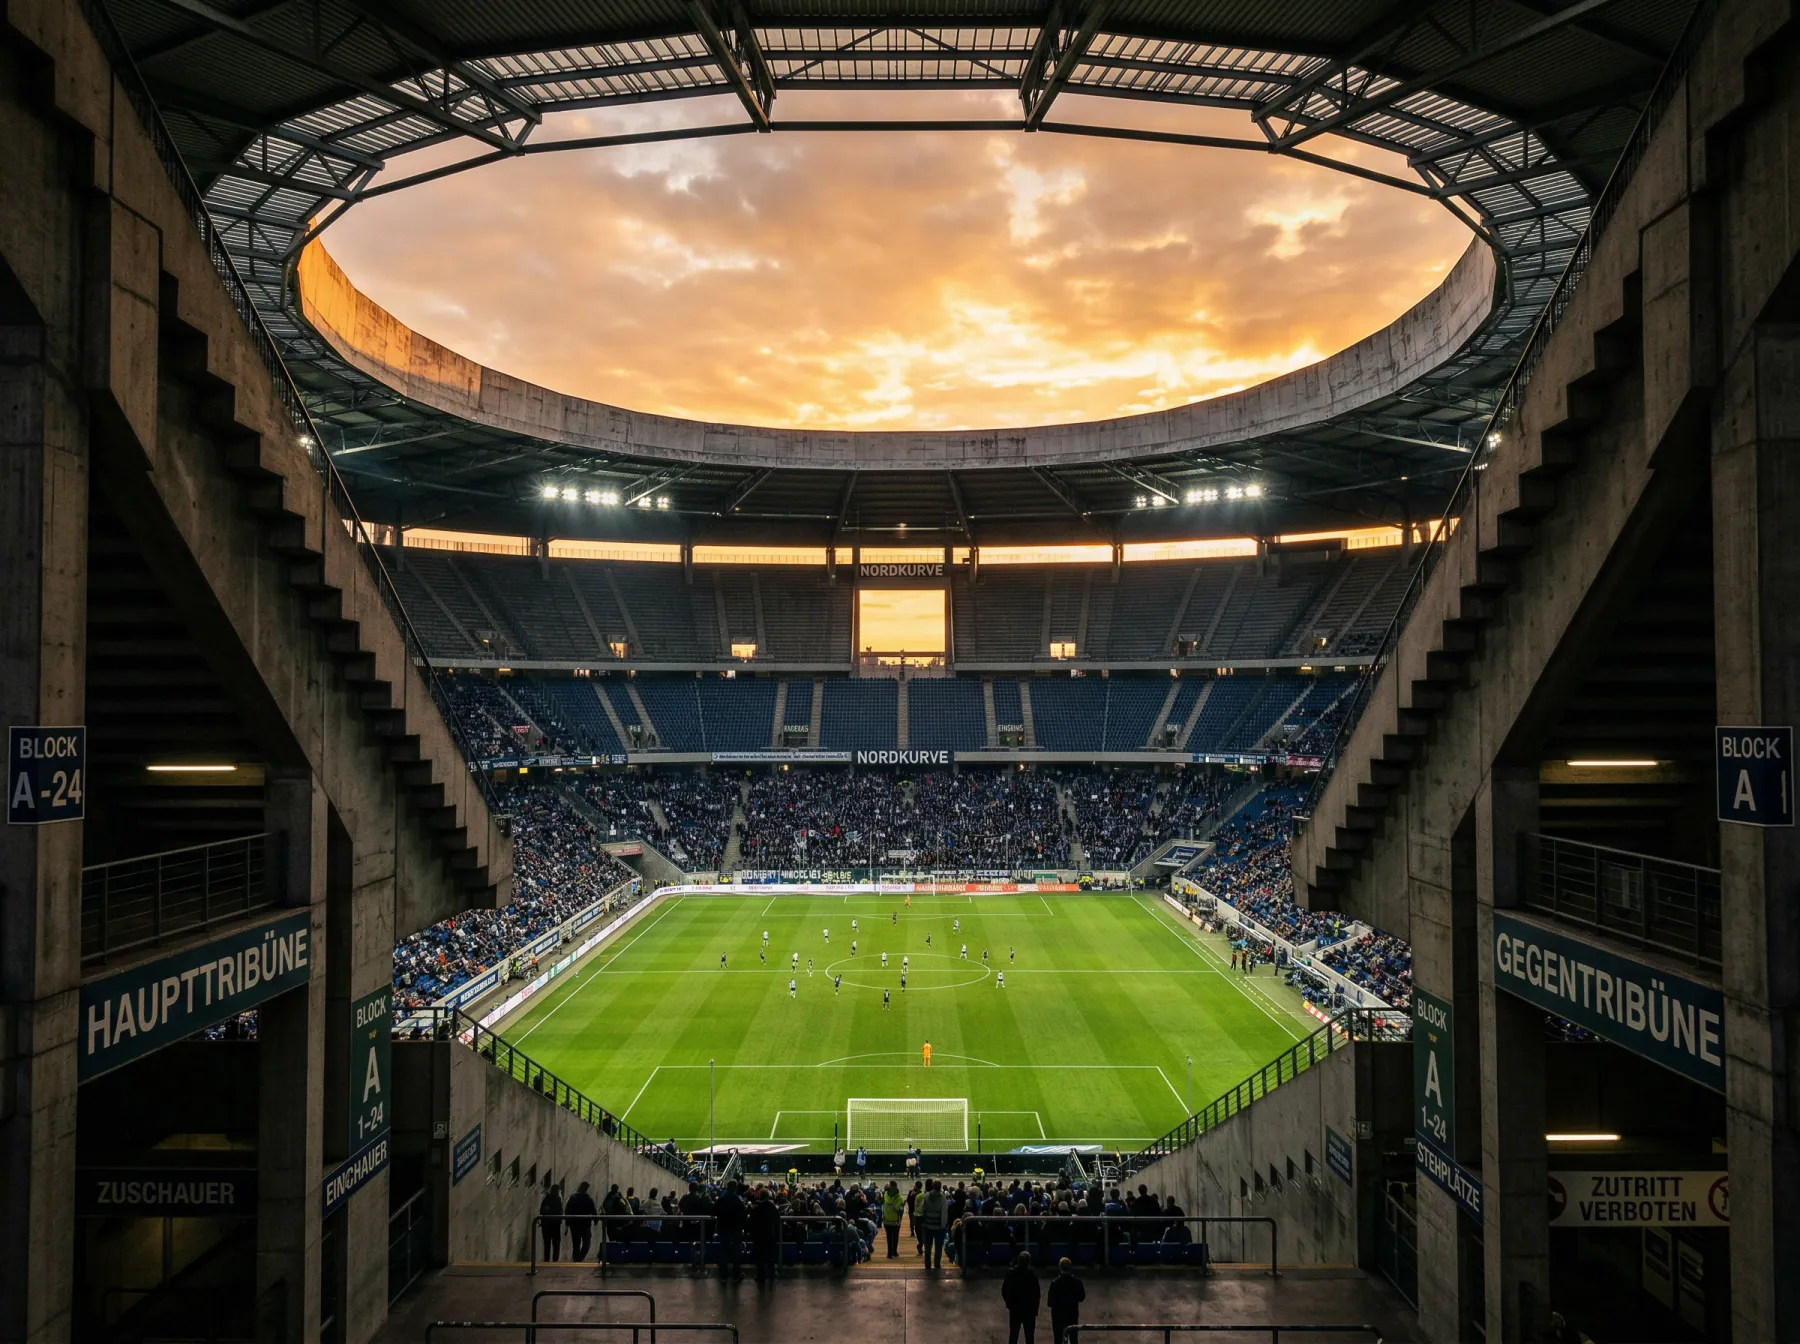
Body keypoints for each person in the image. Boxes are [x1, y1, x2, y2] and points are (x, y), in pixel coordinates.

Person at [1001, 1251, 1041, 1344]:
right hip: (1029, 1310)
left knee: (1013, 1336)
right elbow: (1037, 1295)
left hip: (1015, 1309)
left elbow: (1004, 1291)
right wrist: (1035, 1310)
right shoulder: (1032, 1276)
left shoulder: (1011, 1274)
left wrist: (1009, 1303)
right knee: (1029, 1337)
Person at [1047, 1257, 1085, 1343]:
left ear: (1060, 1267)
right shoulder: (1077, 1282)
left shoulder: (1055, 1283)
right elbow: (1082, 1298)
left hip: (1058, 1317)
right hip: (1072, 1315)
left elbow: (1049, 1303)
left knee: (1058, 1339)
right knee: (1073, 1339)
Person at [714, 1180, 746, 1279]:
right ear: (735, 1188)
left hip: (723, 1229)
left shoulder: (721, 1200)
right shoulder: (738, 1201)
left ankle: (723, 1275)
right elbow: (743, 1214)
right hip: (736, 1230)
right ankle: (736, 1274)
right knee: (736, 1252)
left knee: (723, 1251)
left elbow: (713, 1211)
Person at [749, 1188, 781, 1283]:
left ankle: (761, 1275)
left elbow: (751, 1222)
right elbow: (777, 1220)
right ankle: (771, 1274)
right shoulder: (772, 1207)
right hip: (770, 1234)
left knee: (760, 1257)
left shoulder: (756, 1209)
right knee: (771, 1256)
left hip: (759, 1236)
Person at [564, 1181, 597, 1262]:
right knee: (586, 1243)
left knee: (576, 1243)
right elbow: (593, 1211)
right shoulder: (588, 1198)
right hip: (585, 1224)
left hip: (574, 1224)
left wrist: (567, 1223)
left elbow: (567, 1210)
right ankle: (580, 1257)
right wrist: (596, 1220)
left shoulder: (573, 1197)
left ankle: (576, 1258)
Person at [920, 1178, 949, 1269]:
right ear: (940, 1186)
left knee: (927, 1246)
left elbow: (922, 1209)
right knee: (938, 1247)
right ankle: (937, 1264)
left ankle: (927, 1264)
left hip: (927, 1225)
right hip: (939, 1227)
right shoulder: (942, 1198)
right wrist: (943, 1225)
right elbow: (944, 1213)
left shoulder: (926, 1196)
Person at [538, 1183, 564, 1263]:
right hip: (555, 1225)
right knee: (555, 1243)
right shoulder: (557, 1200)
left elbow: (542, 1211)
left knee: (547, 1244)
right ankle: (554, 1260)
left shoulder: (546, 1199)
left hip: (547, 1225)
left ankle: (547, 1260)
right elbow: (560, 1212)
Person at [881, 1180, 905, 1258]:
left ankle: (892, 1252)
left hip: (891, 1220)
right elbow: (897, 1209)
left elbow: (896, 1208)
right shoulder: (897, 1197)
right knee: (892, 1237)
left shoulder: (889, 1196)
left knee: (892, 1237)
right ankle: (892, 1252)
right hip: (891, 1221)